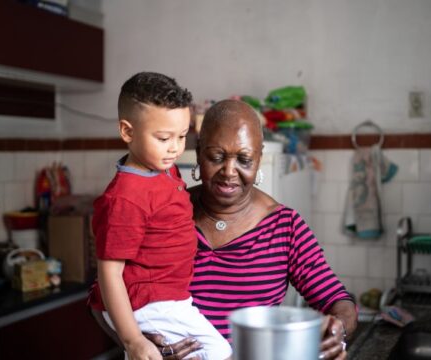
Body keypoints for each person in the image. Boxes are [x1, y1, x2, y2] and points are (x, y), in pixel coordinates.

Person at [93, 99, 357, 360]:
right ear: (198, 153)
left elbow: (337, 299)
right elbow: (103, 296)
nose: (229, 171)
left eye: (244, 159)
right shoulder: (166, 213)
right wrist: (141, 345)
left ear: (259, 158)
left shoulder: (284, 227)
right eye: (216, 157)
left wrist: (338, 330)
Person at [88, 72, 232, 360]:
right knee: (219, 354)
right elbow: (109, 272)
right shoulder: (125, 197)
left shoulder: (164, 170)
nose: (175, 147)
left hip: (171, 296)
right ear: (128, 132)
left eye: (181, 136)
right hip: (147, 301)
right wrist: (132, 341)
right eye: (164, 138)